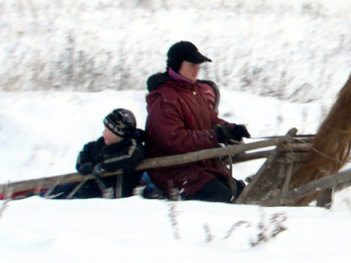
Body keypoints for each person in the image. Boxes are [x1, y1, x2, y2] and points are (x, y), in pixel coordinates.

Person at [144, 41, 250, 203]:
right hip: (173, 171)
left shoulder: (195, 91)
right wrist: (214, 136)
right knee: (221, 196)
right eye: (192, 65)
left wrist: (229, 129)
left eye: (198, 65)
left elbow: (210, 119)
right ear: (176, 65)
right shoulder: (164, 99)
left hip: (200, 167)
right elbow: (175, 140)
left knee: (241, 192)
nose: (196, 70)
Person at [48, 108, 145, 199]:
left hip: (115, 195)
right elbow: (85, 153)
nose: (103, 133)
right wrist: (85, 165)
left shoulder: (133, 146)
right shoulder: (99, 145)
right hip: (94, 190)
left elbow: (128, 157)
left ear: (118, 133)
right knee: (58, 191)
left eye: (107, 130)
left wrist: (103, 166)